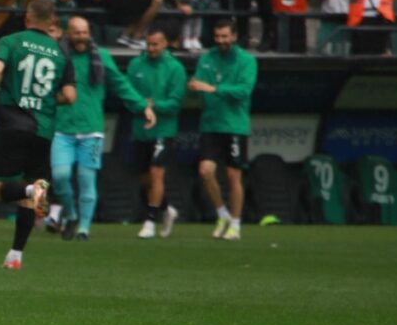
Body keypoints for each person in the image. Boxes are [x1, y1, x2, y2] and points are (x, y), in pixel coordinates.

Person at [43, 16, 155, 241]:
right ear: (68, 33)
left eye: (85, 32)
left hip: (91, 131)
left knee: (87, 179)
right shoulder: (57, 57)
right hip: (62, 130)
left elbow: (121, 84)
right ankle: (71, 214)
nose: (82, 37)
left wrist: (143, 107)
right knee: (60, 176)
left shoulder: (100, 57)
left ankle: (84, 229)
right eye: (77, 33)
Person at [0, 0, 74, 270]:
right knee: (28, 197)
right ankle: (15, 255)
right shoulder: (60, 53)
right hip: (44, 129)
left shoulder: (12, 40)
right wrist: (44, 99)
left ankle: (34, 190)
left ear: (27, 17)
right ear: (52, 22)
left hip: (13, 122)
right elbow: (70, 96)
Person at [190, 19, 258, 240]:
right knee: (205, 171)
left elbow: (243, 90)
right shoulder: (207, 59)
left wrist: (213, 88)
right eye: (218, 37)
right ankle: (222, 214)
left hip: (235, 125)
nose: (221, 41)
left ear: (234, 36)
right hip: (210, 123)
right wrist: (195, 86)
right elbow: (200, 84)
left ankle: (236, 225)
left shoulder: (246, 61)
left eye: (225, 36)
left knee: (232, 176)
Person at [126, 29, 188, 239]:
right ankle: (167, 209)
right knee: (144, 178)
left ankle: (150, 220)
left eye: (156, 44)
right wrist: (141, 106)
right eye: (149, 44)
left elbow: (176, 102)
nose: (151, 49)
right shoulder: (136, 65)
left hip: (164, 129)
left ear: (165, 44)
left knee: (156, 172)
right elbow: (128, 95)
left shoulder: (175, 68)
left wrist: (154, 105)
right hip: (140, 129)